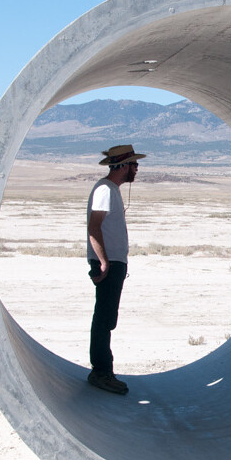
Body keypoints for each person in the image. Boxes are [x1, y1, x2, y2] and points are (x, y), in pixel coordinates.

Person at [86, 144, 146, 394]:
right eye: (134, 164)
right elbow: (94, 227)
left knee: (107, 317)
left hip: (112, 261)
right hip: (108, 263)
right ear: (122, 166)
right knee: (104, 318)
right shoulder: (105, 190)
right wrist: (103, 261)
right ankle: (101, 372)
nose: (137, 169)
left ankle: (102, 370)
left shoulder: (111, 190)